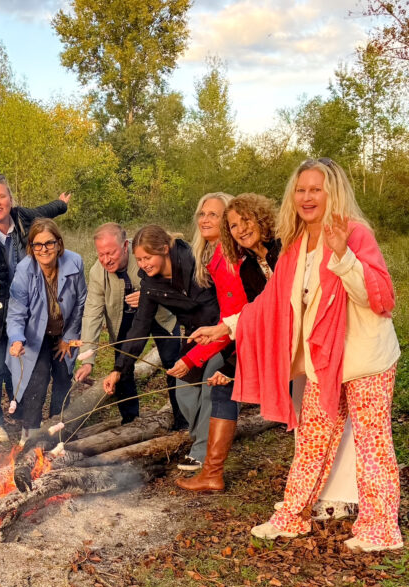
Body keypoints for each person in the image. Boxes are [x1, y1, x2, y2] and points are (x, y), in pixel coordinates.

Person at [232, 159, 402, 551]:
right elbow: (271, 304)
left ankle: (380, 530)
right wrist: (226, 327)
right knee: (311, 441)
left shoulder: (355, 233)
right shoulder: (297, 245)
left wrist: (343, 256)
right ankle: (292, 517)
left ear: (333, 193)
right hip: (324, 362)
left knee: (373, 442)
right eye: (301, 189)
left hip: (366, 360)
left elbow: (378, 298)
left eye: (316, 189)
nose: (307, 197)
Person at [178, 193, 281, 492]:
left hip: (289, 344)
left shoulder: (271, 254)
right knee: (222, 384)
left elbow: (262, 313)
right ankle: (211, 471)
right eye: (234, 225)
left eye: (244, 221)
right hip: (250, 336)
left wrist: (222, 355)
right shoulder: (245, 263)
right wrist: (222, 345)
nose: (241, 229)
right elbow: (251, 314)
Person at [103, 226, 227, 469]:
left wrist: (210, 341)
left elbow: (214, 308)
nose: (143, 264)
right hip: (194, 336)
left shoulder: (196, 263)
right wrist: (119, 369)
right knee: (184, 392)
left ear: (165, 250)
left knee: (209, 385)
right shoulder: (151, 284)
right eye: (139, 259)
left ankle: (203, 451)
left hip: (223, 333)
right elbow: (139, 328)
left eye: (148, 258)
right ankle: (203, 437)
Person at [0, 174, 70, 442]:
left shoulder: (22, 217)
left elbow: (44, 212)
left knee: (22, 361)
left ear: (10, 199)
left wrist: (61, 205)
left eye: (1, 197)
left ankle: (24, 414)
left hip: (24, 306)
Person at [74, 222, 188, 427]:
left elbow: (174, 287)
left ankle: (182, 421)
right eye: (101, 254)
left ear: (125, 246)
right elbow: (92, 313)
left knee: (174, 363)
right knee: (122, 367)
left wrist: (148, 296)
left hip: (161, 316)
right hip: (123, 319)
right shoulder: (97, 273)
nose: (105, 260)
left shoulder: (144, 258)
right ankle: (131, 422)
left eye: (111, 253)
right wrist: (88, 357)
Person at [7, 219, 86, 439]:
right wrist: (16, 339)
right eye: (37, 245)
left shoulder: (75, 262)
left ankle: (57, 431)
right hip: (34, 336)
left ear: (59, 243)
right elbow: (16, 311)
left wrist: (69, 338)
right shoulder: (24, 270)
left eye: (49, 243)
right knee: (37, 378)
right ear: (30, 247)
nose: (44, 250)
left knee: (63, 377)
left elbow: (80, 301)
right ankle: (30, 433)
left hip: (64, 331)